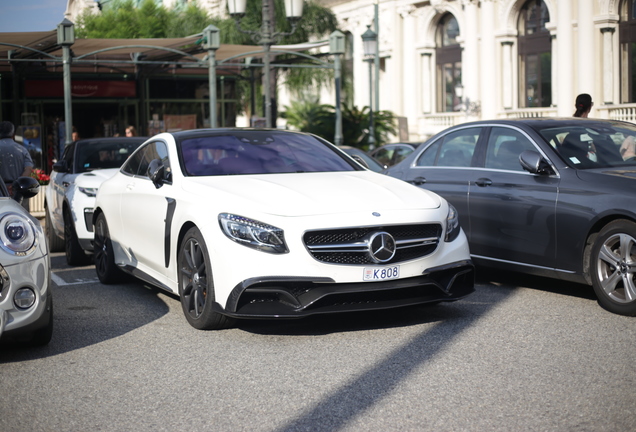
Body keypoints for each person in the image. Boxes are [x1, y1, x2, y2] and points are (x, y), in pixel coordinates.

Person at [0, 121, 34, 198]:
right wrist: (15, 184)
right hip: (18, 190)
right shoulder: (22, 150)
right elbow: (28, 169)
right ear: (13, 134)